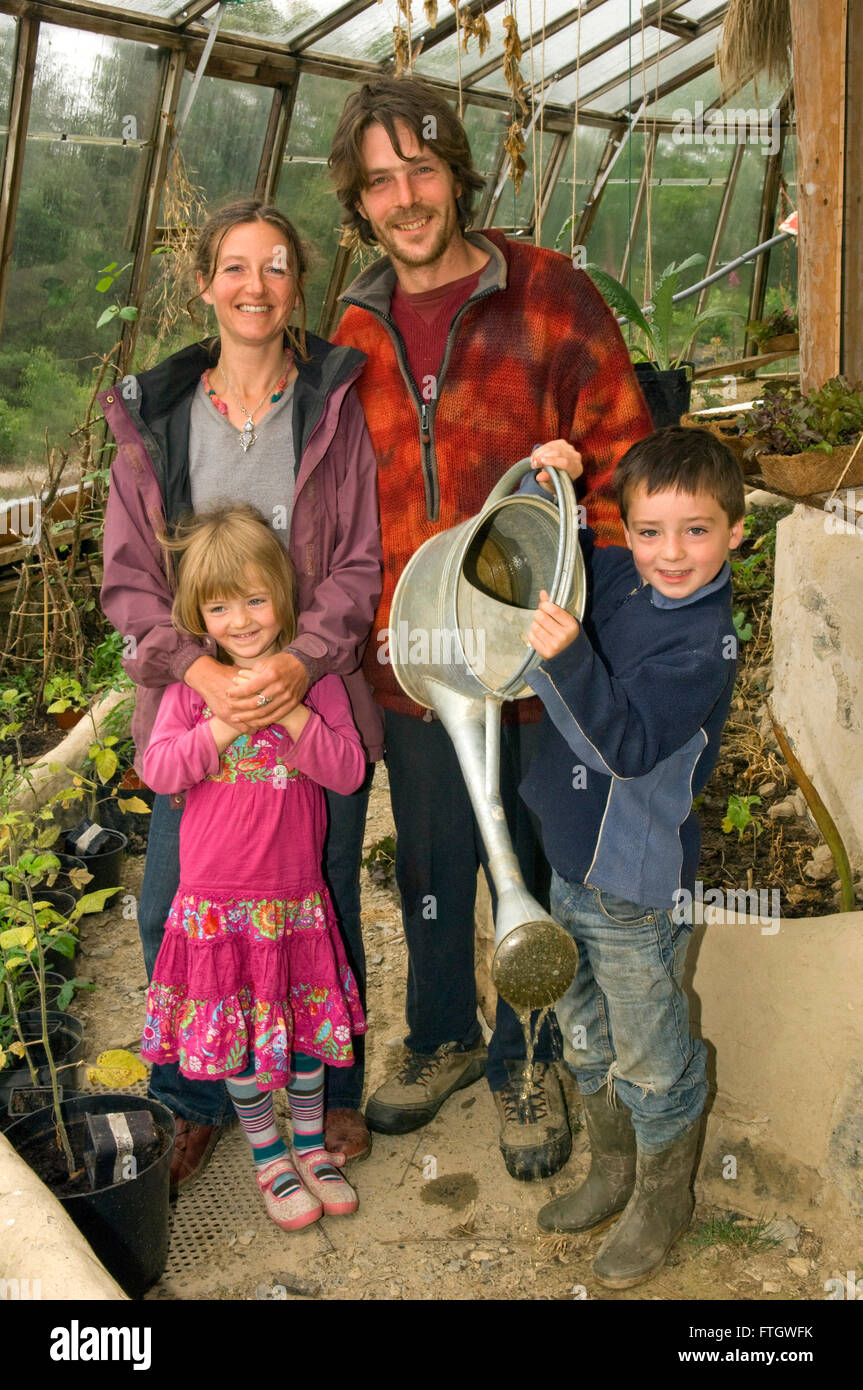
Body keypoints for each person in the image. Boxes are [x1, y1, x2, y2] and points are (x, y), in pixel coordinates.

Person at [328, 75, 653, 1179]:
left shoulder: (550, 293)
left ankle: (530, 1056)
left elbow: (621, 457)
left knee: (540, 864)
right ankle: (440, 1038)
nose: (405, 197)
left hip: (536, 656)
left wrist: (578, 608)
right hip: (416, 657)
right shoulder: (352, 326)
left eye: (421, 171)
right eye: (379, 182)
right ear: (359, 201)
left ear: (457, 174)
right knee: (432, 857)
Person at [100, 201, 382, 1192]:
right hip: (203, 705)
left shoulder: (331, 405)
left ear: (297, 286)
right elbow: (129, 580)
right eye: (233, 267)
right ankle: (197, 1100)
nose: (254, 285)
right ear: (206, 285)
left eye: (274, 267)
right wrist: (201, 672)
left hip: (313, 698)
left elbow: (355, 563)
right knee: (175, 903)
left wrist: (300, 665)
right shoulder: (159, 416)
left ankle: (327, 1093)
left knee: (321, 899)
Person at [520, 425, 745, 1286]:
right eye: (649, 532)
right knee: (583, 1030)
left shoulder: (702, 644)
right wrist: (555, 485)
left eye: (696, 530)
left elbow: (623, 744)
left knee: (651, 1052)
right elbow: (558, 552)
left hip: (635, 885)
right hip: (568, 861)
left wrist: (569, 656)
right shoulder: (620, 580)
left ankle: (662, 1199)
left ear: (734, 530)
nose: (671, 553)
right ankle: (610, 1171)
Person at [140, 505, 365, 1229]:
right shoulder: (190, 692)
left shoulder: (314, 683)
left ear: (283, 597)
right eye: (219, 605)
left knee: (304, 1035)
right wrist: (225, 721)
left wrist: (292, 713)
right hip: (217, 907)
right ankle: (267, 1157)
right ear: (197, 613)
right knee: (233, 1037)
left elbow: (347, 770)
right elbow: (160, 769)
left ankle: (309, 1144)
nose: (240, 619)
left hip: (294, 900)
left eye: (256, 599)